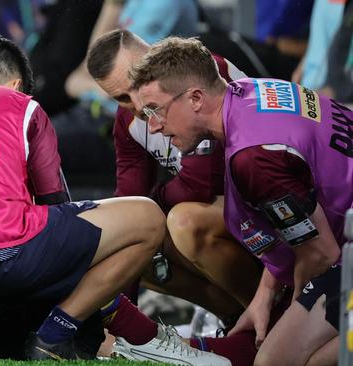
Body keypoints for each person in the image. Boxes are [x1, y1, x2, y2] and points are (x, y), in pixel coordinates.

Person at [0, 30, 230, 365]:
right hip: (3, 253)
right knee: (146, 218)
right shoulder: (18, 104)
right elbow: (56, 202)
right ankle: (54, 335)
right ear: (17, 85)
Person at [130, 36, 351, 365]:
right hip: (343, 240)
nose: (153, 126)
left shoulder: (254, 157)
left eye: (155, 110)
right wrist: (264, 294)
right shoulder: (251, 91)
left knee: (275, 360)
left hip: (342, 253)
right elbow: (300, 219)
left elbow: (320, 254)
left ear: (195, 98)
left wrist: (288, 318)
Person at [84, 29, 261, 324]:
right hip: (233, 214)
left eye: (136, 84)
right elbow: (129, 202)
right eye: (121, 97)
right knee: (128, 240)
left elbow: (202, 183)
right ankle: (232, 317)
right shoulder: (127, 123)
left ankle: (269, 315)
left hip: (267, 202)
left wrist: (148, 209)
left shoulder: (202, 75)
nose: (136, 104)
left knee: (184, 222)